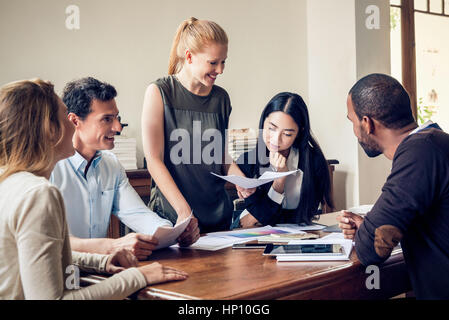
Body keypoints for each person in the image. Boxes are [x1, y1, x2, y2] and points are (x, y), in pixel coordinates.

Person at [0, 79, 188, 299]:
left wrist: (102, 261)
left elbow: (49, 254)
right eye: (65, 118)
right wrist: (138, 276)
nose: (72, 127)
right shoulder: (39, 193)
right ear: (50, 129)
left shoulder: (10, 182)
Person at [50, 77, 199, 261]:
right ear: (74, 121)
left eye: (116, 118)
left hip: (98, 272)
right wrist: (112, 246)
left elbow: (140, 215)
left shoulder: (111, 165)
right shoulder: (48, 169)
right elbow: (49, 241)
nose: (118, 127)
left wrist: (174, 233)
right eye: (106, 119)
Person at [337, 73, 449, 299]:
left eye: (352, 121)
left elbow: (372, 250)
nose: (354, 131)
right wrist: (368, 226)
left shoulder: (419, 153)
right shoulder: (435, 142)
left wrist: (367, 232)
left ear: (367, 123)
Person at [142, 17, 243, 233]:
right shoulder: (159, 92)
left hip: (218, 218)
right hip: (174, 217)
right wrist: (184, 212)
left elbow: (220, 155)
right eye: (213, 62)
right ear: (189, 56)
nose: (220, 70)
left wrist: (240, 179)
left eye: (223, 61)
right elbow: (153, 160)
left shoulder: (221, 99)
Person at [231, 92, 333, 229]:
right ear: (263, 122)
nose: (275, 139)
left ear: (299, 132)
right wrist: (279, 180)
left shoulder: (313, 161)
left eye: (287, 134)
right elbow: (262, 217)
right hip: (251, 232)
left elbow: (307, 213)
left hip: (295, 232)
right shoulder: (247, 161)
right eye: (271, 128)